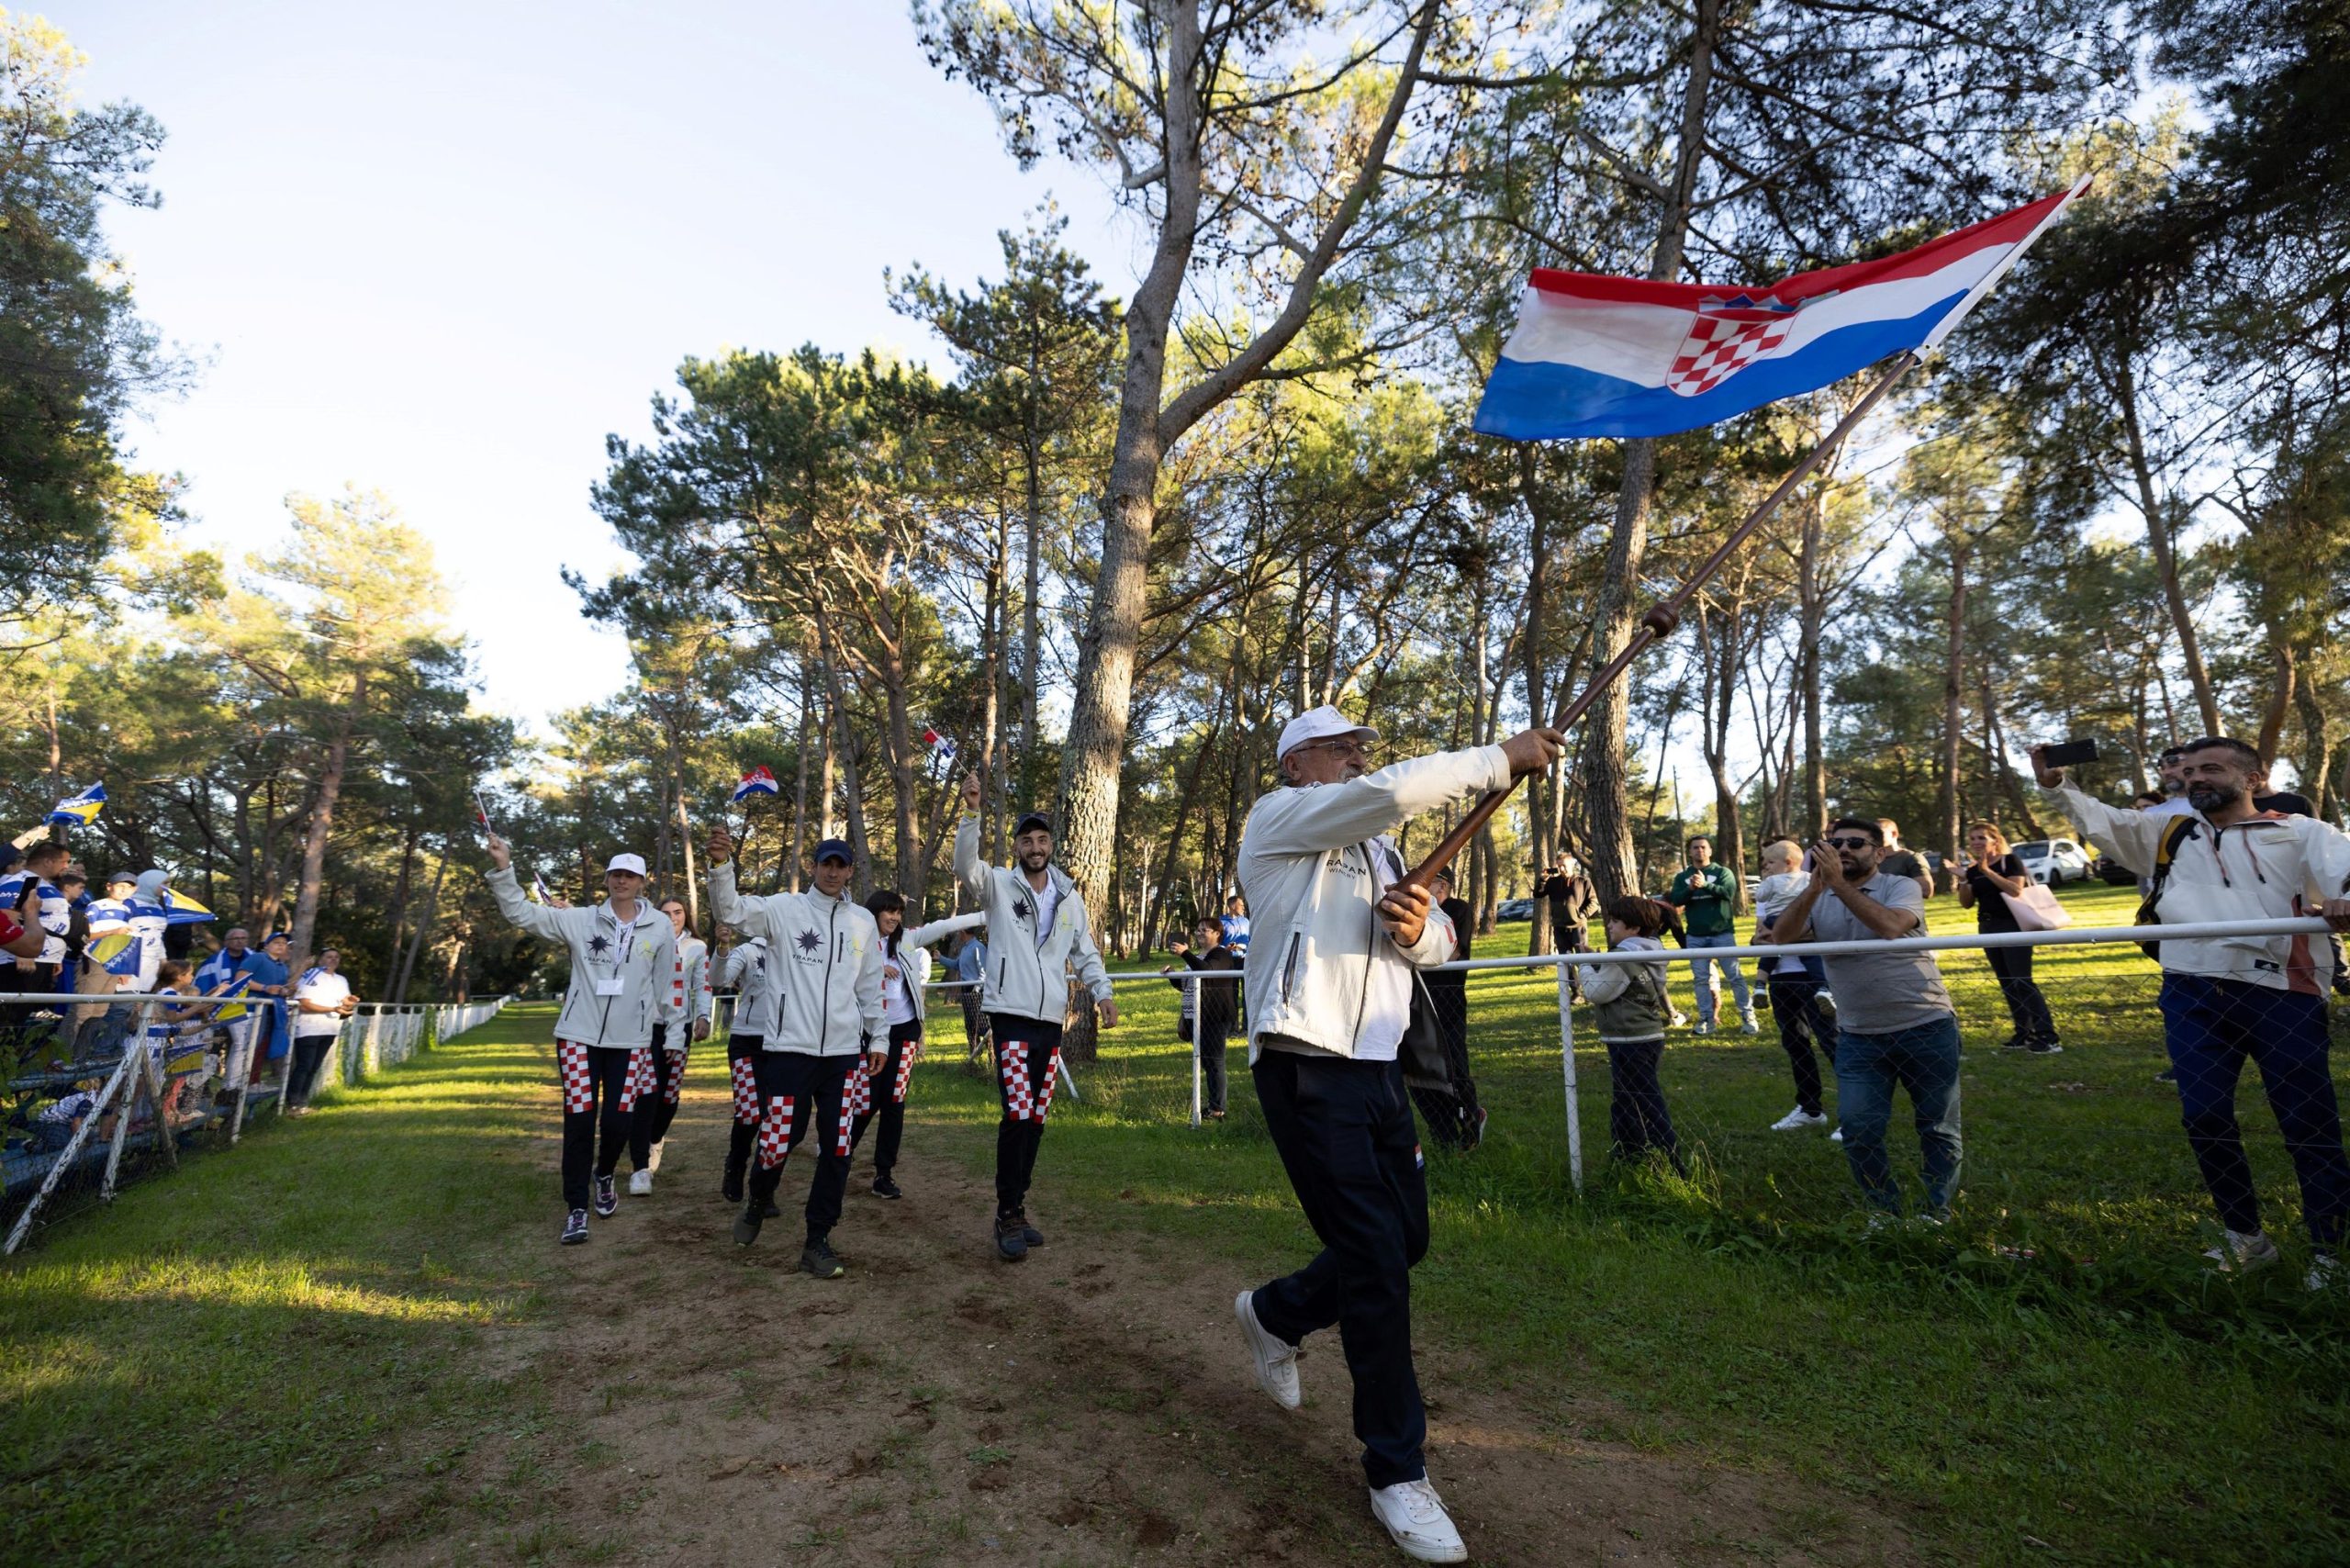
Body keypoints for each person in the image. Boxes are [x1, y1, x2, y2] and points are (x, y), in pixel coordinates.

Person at [1228, 702, 1563, 1565]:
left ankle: (1276, 1313)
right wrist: (1498, 758)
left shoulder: (1377, 850)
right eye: (1340, 748)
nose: (1356, 757)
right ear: (1297, 762)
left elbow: (1437, 936)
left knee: (1404, 1239)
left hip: (1377, 1069)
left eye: (1360, 748)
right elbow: (1385, 794)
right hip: (1307, 1063)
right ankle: (1396, 1470)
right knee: (1375, 1262)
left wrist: (1419, 932)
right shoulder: (1280, 818)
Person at [2034, 738, 2350, 1285]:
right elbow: (2103, 821)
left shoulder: (2300, 831)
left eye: (2212, 769)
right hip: (2191, 991)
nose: (2196, 777)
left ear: (2253, 778)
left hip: (2282, 994)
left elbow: (2343, 870)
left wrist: (2345, 896)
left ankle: (2332, 1251)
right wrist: (2056, 785)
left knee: (2307, 1120)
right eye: (2190, 770)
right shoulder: (2170, 832)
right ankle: (2245, 1238)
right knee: (2204, 1116)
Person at [1758, 819, 1964, 1223]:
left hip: (1925, 1024)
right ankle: (1884, 1214)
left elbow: (1890, 926)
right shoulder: (1819, 894)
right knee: (1858, 1129)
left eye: (1855, 843)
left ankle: (1934, 1213)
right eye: (1835, 843)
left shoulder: (1899, 886)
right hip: (1858, 1034)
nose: (1843, 850)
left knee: (1937, 1128)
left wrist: (1837, 885)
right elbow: (1780, 937)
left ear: (1880, 853)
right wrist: (1814, 888)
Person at [485, 836, 681, 1247]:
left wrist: (672, 1032)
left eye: (630, 875)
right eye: (615, 874)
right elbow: (521, 913)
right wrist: (504, 868)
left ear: (642, 882)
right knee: (579, 1121)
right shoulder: (579, 919)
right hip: (577, 1036)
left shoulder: (660, 926)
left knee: (617, 1122)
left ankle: (604, 1173)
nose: (621, 881)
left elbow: (667, 983)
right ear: (607, 879)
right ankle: (576, 1207)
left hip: (632, 1040)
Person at [704, 829, 882, 1280]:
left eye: (840, 865)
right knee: (777, 1141)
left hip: (843, 1057)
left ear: (850, 871)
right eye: (826, 864)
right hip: (789, 1053)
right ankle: (758, 1197)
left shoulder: (862, 922)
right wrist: (722, 866)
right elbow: (731, 910)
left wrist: (878, 1038)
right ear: (813, 867)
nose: (832, 872)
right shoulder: (784, 910)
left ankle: (817, 1239)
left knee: (838, 1148)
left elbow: (869, 988)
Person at [955, 774, 1118, 1260]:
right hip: (1009, 1016)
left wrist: (1102, 993)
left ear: (1051, 845)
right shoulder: (998, 885)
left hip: (1050, 1020)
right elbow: (965, 866)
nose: (1035, 847)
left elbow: (1084, 951)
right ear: (1018, 847)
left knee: (1037, 1117)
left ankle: (1018, 1205)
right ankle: (1006, 1211)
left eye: (1042, 839)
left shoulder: (1068, 895)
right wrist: (971, 812)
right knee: (1018, 1112)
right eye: (1026, 840)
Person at [850, 890, 985, 1199]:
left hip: (905, 1032)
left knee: (895, 1100)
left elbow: (942, 927)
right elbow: (844, 974)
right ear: (874, 912)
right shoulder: (856, 942)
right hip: (868, 1034)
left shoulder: (907, 941)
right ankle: (840, 1152)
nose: (895, 918)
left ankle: (884, 1174)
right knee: (867, 1101)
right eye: (889, 911)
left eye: (899, 912)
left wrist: (982, 915)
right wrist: (875, 968)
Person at [1575, 896, 1682, 1170]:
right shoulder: (1649, 950)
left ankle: (1672, 1160)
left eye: (1615, 921)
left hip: (1630, 1038)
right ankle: (1629, 1154)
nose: (1609, 926)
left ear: (1634, 928)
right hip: (1646, 1036)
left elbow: (1596, 991)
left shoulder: (1624, 956)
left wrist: (1584, 963)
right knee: (1626, 1100)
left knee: (1645, 1101)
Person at [1751, 839, 1835, 1133]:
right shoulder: (1770, 888)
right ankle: (1810, 1108)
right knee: (1795, 1044)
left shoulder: (1812, 884)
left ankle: (1856, 1113)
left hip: (1813, 976)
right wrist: (1771, 936)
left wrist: (1781, 934)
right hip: (1780, 977)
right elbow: (1760, 935)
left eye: (1770, 862)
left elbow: (1817, 926)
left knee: (1831, 1041)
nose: (1766, 867)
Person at [1956, 823, 2061, 1054]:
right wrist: (1963, 880)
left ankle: (2048, 1036)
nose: (1976, 842)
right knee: (2007, 982)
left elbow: (2015, 890)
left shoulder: (2010, 861)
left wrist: (1988, 871)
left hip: (2013, 926)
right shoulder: (1973, 869)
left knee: (2022, 980)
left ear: (1995, 839)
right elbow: (1966, 903)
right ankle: (2023, 1033)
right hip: (1987, 926)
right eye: (1972, 838)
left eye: (1981, 838)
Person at [631, 896, 712, 1192]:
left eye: (678, 912)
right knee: (646, 1094)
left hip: (680, 1027)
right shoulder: (645, 940)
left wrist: (703, 1016)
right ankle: (640, 1166)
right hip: (645, 1027)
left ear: (685, 916)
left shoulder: (697, 947)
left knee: (669, 1096)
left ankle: (655, 1139)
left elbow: (702, 985)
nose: (672, 917)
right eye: (666, 913)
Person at [1405, 867, 1483, 1151]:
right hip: (1414, 1000)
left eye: (1428, 882)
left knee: (1453, 1065)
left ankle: (1471, 1121)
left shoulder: (1457, 909)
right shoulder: (1413, 911)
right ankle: (1442, 1133)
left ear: (1442, 886)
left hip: (1447, 999)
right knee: (1416, 1069)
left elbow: (1452, 951)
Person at [1664, 836, 1755, 1036]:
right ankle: (1706, 1020)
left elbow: (1728, 893)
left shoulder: (1722, 872)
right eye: (1695, 848)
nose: (1700, 851)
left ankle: (1748, 1018)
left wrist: (1706, 885)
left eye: (1703, 847)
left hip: (1722, 934)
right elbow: (1676, 900)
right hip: (1695, 936)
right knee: (1701, 980)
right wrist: (1690, 889)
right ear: (1690, 852)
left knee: (1735, 977)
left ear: (1710, 850)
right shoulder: (1682, 877)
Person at [714, 928, 778, 1210]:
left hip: (786, 1043)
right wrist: (723, 948)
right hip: (747, 1042)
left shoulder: (799, 950)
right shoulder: (748, 951)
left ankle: (763, 1188)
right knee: (751, 1114)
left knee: (776, 1120)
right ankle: (736, 1163)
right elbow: (718, 979)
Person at [1164, 913, 1242, 1121]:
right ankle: (1213, 1103)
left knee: (1214, 1062)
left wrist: (1185, 953)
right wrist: (1172, 975)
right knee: (1207, 1062)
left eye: (1204, 930)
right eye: (1197, 930)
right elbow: (1188, 984)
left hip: (1215, 1017)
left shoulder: (1221, 954)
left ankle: (1217, 1108)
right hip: (1195, 1015)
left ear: (1217, 934)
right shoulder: (1198, 956)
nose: (1199, 933)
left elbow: (1206, 972)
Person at [287, 949, 357, 1115]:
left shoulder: (341, 980)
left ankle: (303, 1102)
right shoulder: (310, 975)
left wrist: (351, 1001)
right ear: (320, 960)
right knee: (305, 1065)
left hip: (330, 1028)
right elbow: (303, 1003)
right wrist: (332, 1008)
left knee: (314, 1067)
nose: (333, 960)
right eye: (329, 957)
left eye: (336, 957)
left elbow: (344, 1000)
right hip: (309, 1027)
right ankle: (292, 1103)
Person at [1537, 857, 1601, 955]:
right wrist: (1542, 880)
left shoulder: (1583, 881)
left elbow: (1594, 902)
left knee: (1582, 957)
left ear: (1572, 865)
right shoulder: (1552, 882)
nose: (1562, 869)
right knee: (1565, 959)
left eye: (1564, 865)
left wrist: (1583, 914)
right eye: (1559, 866)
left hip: (1578, 926)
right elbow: (1538, 894)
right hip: (1559, 927)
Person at [950, 927, 990, 1067]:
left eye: (959, 932)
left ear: (963, 932)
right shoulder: (965, 948)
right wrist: (940, 958)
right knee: (970, 1026)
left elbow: (984, 971)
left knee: (983, 1026)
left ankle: (992, 1058)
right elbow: (957, 965)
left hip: (976, 993)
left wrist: (976, 990)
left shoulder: (978, 947)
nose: (958, 935)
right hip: (966, 991)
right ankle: (974, 1058)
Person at [1874, 819, 1937, 901]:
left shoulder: (1911, 858)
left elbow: (1926, 891)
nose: (1874, 837)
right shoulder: (1869, 859)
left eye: (1878, 833)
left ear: (1894, 834)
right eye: (1871, 834)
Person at [1221, 893, 1251, 957]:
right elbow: (1215, 942)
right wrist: (1226, 949)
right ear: (1233, 906)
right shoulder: (1221, 922)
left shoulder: (1246, 921)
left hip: (1247, 958)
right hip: (1228, 958)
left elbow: (1251, 938)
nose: (1243, 908)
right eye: (1241, 905)